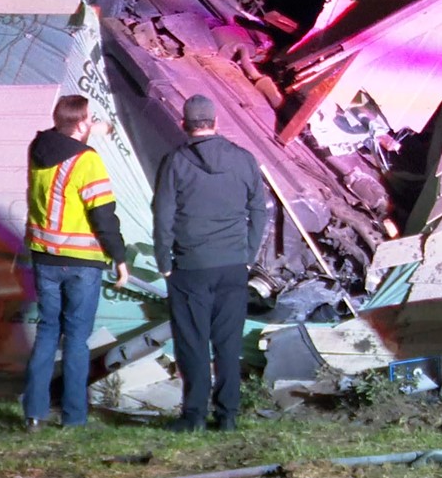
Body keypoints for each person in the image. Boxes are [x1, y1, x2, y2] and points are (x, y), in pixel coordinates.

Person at [153, 94, 268, 433]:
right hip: (233, 265)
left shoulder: (175, 162)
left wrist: (164, 260)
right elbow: (259, 210)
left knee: (193, 342)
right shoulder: (244, 159)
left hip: (190, 267)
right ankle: (228, 415)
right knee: (228, 344)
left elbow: (162, 214)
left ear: (184, 125)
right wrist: (247, 255)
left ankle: (194, 417)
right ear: (217, 123)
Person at [23, 95, 128, 430]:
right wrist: (120, 257)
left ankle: (34, 415)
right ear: (81, 123)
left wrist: (93, 128)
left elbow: (61, 137)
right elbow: (103, 214)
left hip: (44, 258)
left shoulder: (38, 149)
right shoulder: (88, 160)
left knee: (47, 334)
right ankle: (74, 418)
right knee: (76, 340)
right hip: (81, 263)